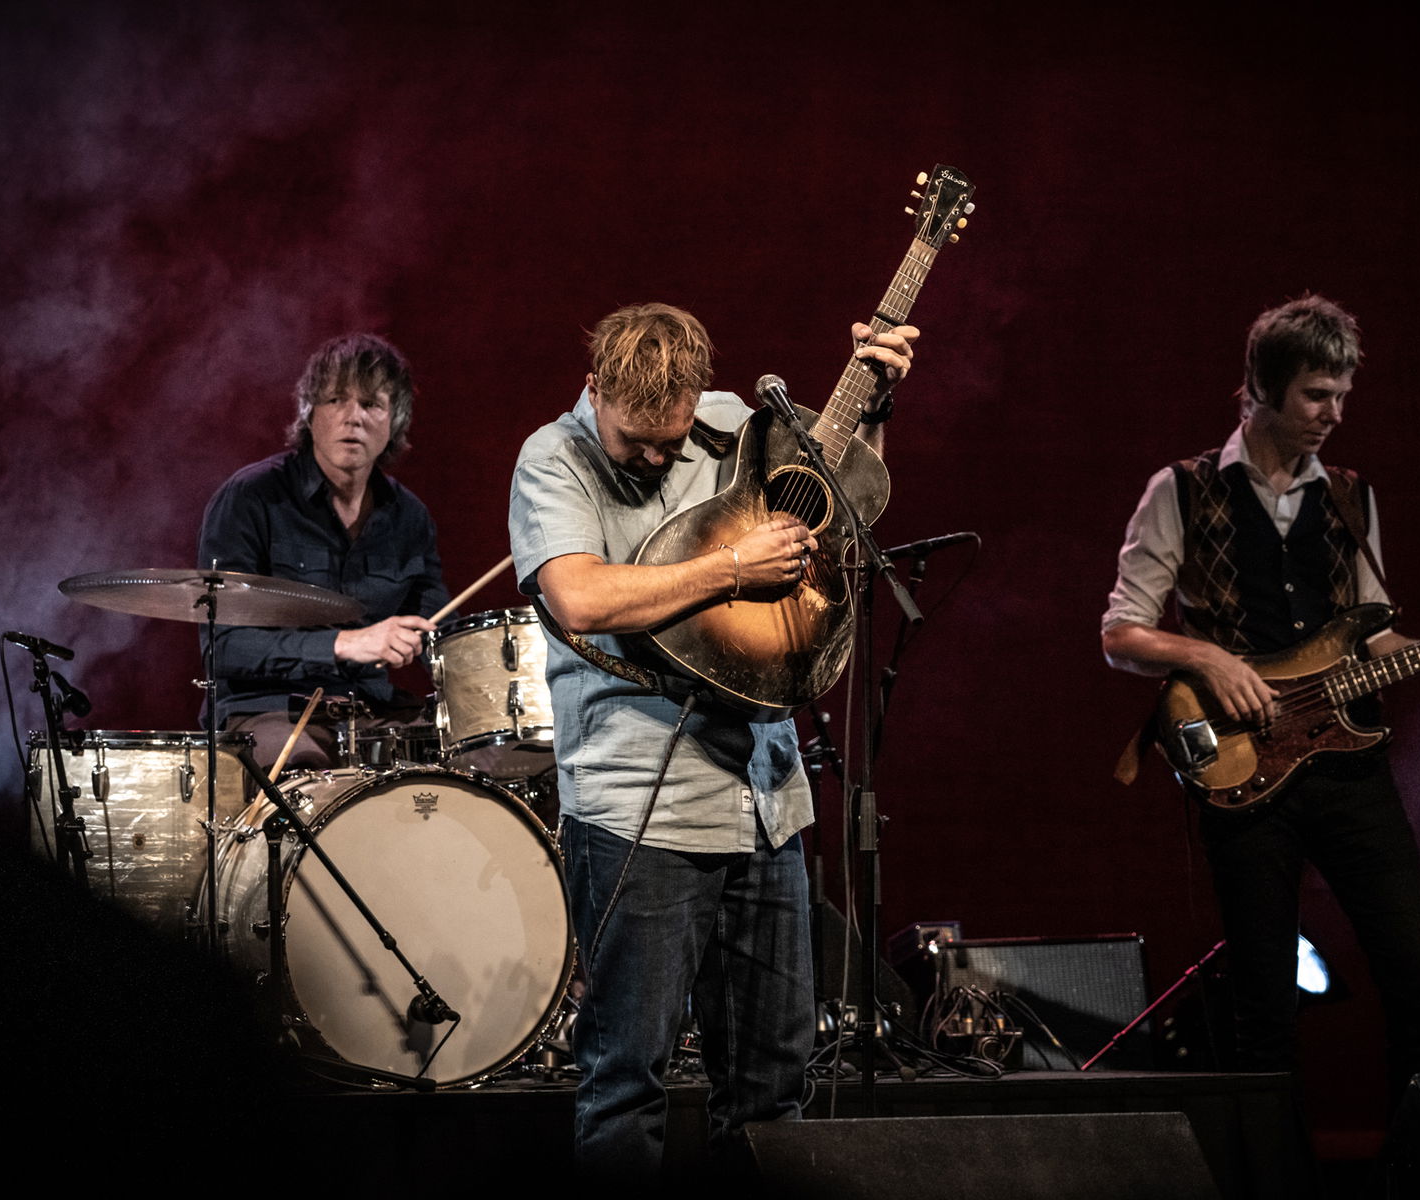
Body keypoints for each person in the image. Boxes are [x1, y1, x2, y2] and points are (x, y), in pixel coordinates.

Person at [508, 302, 916, 1177]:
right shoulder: (554, 457)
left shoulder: (738, 425)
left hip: (767, 802)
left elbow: (852, 507)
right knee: (628, 1082)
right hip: (635, 812)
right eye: (637, 441)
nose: (658, 457)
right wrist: (732, 568)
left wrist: (872, 407)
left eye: (673, 436)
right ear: (595, 391)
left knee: (775, 1083)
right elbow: (582, 597)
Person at [1101, 295, 1420, 1099]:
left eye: (1342, 395)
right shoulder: (1181, 489)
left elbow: (1371, 637)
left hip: (1350, 766)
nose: (1334, 414)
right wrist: (1206, 656)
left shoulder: (1351, 496)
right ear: (1262, 387)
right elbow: (1121, 634)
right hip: (1243, 773)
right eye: (1317, 394)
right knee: (1263, 1008)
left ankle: (1414, 1175)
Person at [198, 333, 447, 771]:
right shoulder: (250, 498)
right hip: (269, 711)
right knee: (308, 769)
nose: (353, 418)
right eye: (335, 400)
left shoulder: (409, 516)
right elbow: (225, 646)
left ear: (394, 421)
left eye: (371, 404)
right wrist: (347, 643)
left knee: (484, 759)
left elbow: (438, 634)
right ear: (309, 413)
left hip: (370, 710)